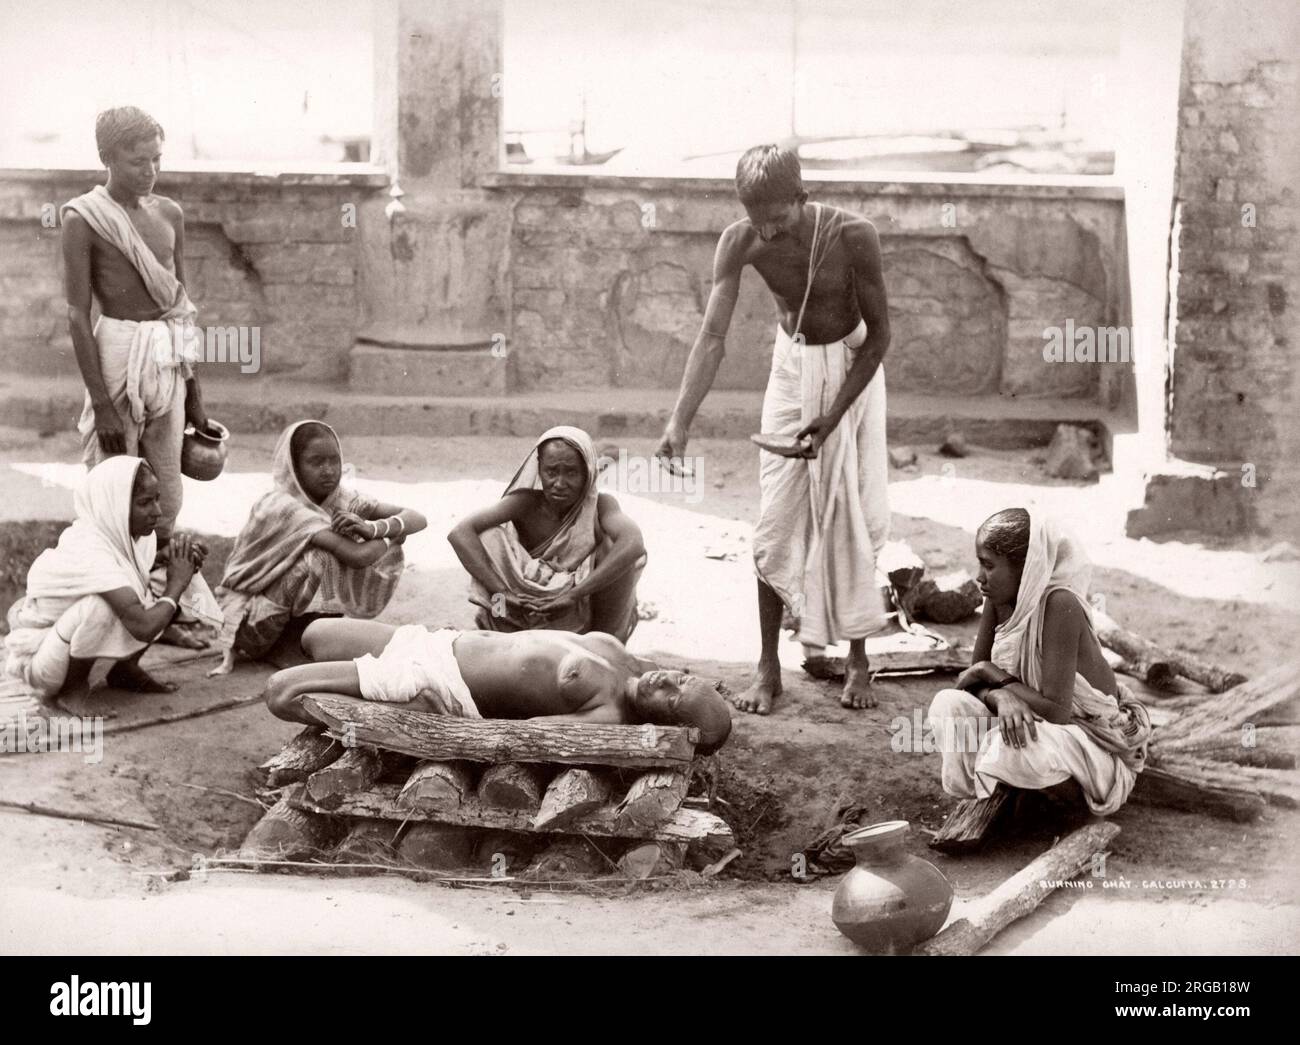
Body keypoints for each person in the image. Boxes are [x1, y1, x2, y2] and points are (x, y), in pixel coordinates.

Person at [655, 144, 891, 714]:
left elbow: (881, 336)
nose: (770, 232)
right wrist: (678, 421)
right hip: (792, 369)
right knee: (775, 520)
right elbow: (713, 337)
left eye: (780, 219)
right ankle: (767, 668)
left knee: (853, 508)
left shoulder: (854, 235)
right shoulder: (741, 240)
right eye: (759, 220)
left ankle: (858, 658)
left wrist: (833, 416)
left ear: (802, 198)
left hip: (854, 368)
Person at [926, 509, 1153, 817]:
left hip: (1088, 741)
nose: (979, 577)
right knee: (948, 705)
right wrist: (999, 695)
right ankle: (1004, 791)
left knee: (1015, 746)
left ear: (1026, 569)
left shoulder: (1060, 605)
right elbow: (968, 684)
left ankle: (1061, 809)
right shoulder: (998, 599)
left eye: (989, 565)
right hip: (1037, 726)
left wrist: (991, 673)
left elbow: (1057, 713)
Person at [62, 106, 213, 548]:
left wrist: (196, 399)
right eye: (137, 161)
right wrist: (102, 403)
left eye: (157, 159)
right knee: (113, 480)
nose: (150, 171)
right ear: (107, 158)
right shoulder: (83, 219)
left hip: (167, 355)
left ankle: (160, 568)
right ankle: (114, 576)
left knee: (166, 485)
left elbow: (180, 307)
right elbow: (76, 314)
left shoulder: (169, 214)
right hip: (118, 352)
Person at [263, 618, 733, 755]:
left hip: (439, 682)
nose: (668, 680)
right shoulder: (627, 659)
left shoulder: (608, 714)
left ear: (667, 724)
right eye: (683, 678)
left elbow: (524, 736)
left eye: (674, 698)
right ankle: (367, 685)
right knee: (315, 634)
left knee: (280, 693)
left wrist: (439, 713)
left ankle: (394, 708)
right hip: (439, 641)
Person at [3, 457, 221, 712]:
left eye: (157, 499)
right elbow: (142, 626)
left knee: (165, 574)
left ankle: (123, 670)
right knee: (101, 605)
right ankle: (72, 691)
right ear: (113, 507)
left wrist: (172, 562)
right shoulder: (89, 549)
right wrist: (177, 583)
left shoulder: (135, 537)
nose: (158, 511)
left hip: (69, 646)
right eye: (144, 503)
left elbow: (137, 573)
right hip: (41, 663)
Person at [209, 420, 426, 675]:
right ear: (295, 467)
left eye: (334, 461)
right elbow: (357, 556)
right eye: (316, 462)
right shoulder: (283, 506)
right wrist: (384, 536)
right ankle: (291, 644)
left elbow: (417, 518)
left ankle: (317, 639)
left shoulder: (340, 498)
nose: (328, 470)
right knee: (321, 557)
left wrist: (375, 528)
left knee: (342, 548)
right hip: (248, 621)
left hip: (274, 611)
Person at [449, 426, 646, 642]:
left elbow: (633, 543)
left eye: (571, 473)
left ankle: (605, 643)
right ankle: (497, 629)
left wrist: (574, 594)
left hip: (577, 607)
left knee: (614, 549)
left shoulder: (601, 506)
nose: (559, 484)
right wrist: (502, 592)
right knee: (488, 537)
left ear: (588, 472)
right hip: (521, 604)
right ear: (539, 470)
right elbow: (460, 533)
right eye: (551, 472)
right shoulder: (526, 502)